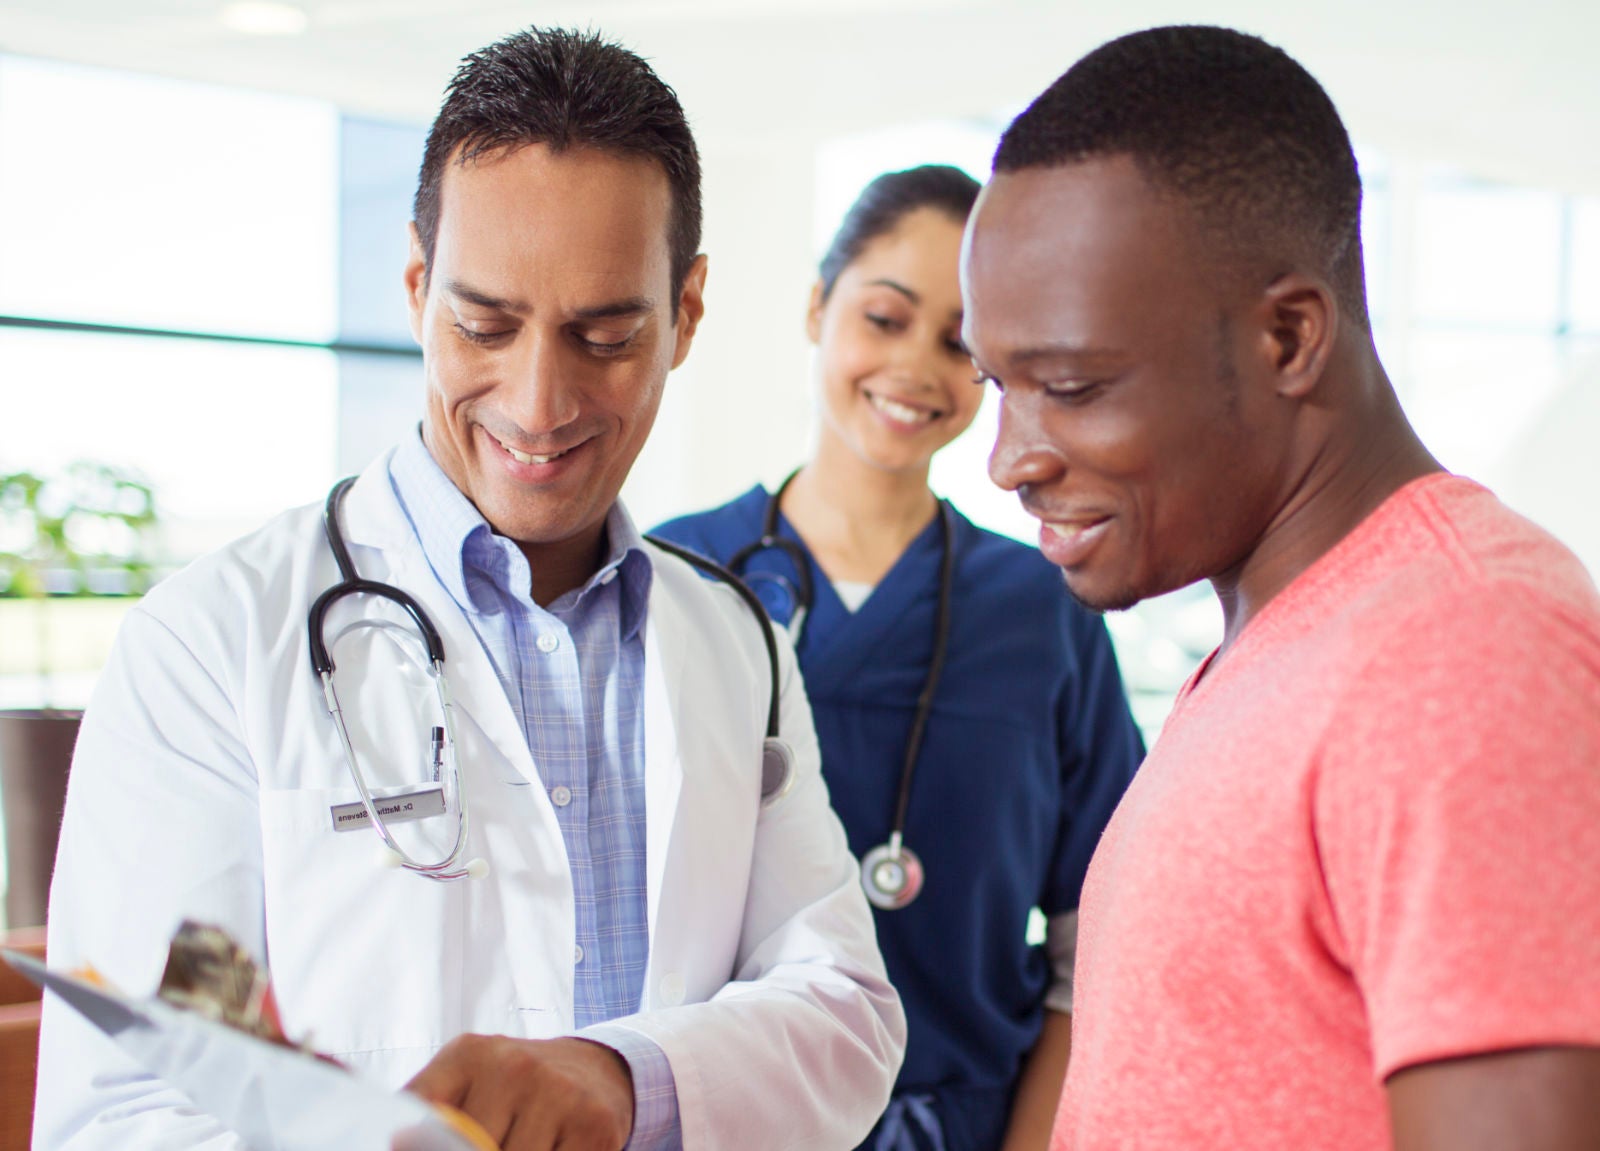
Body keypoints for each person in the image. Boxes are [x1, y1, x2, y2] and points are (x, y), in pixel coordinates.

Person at [36, 27, 905, 1151]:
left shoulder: (734, 638)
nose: (539, 402)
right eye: (483, 324)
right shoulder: (211, 644)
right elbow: (125, 1103)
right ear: (414, 285)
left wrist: (620, 1078)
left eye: (604, 335)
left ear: (686, 313)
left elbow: (841, 1009)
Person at [961, 24, 1600, 1151]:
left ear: (1288, 335)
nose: (1010, 456)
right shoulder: (1288, 648)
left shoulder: (1464, 648)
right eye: (998, 384)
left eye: (1070, 384)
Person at [653, 166, 1144, 1151]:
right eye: (885, 316)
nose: (918, 363)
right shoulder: (676, 576)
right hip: (722, 1122)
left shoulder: (1043, 612)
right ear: (815, 308)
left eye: (960, 340)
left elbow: (1104, 942)